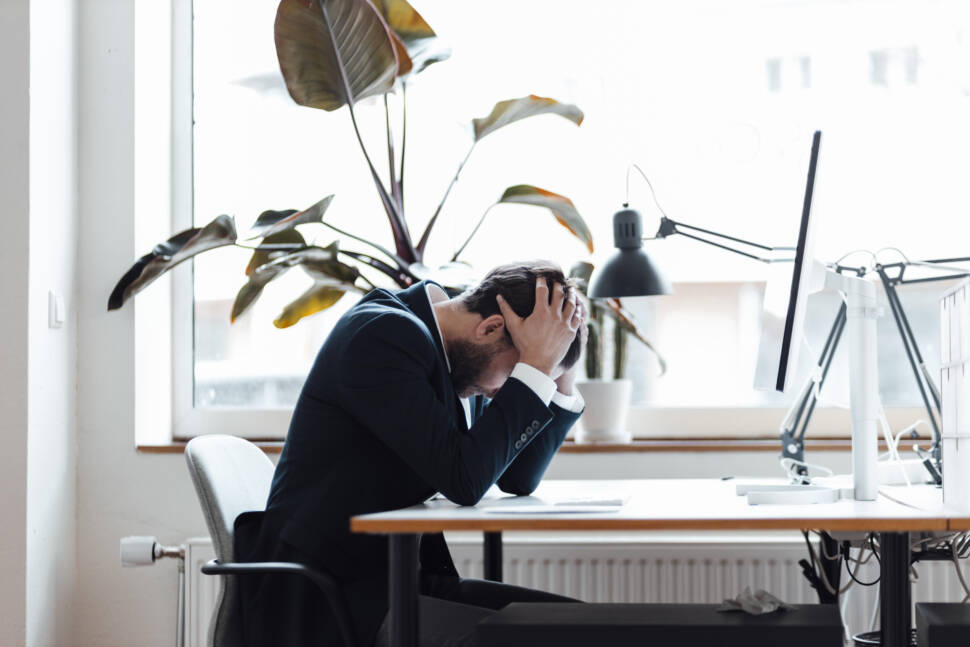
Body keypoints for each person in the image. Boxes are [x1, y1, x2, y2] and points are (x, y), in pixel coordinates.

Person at [234, 261, 588, 647]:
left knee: (586, 625)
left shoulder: (461, 354)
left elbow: (516, 477)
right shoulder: (382, 335)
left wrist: (559, 373)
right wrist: (533, 366)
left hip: (395, 584)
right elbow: (464, 480)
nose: (504, 393)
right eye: (513, 376)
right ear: (490, 328)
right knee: (569, 637)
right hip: (332, 601)